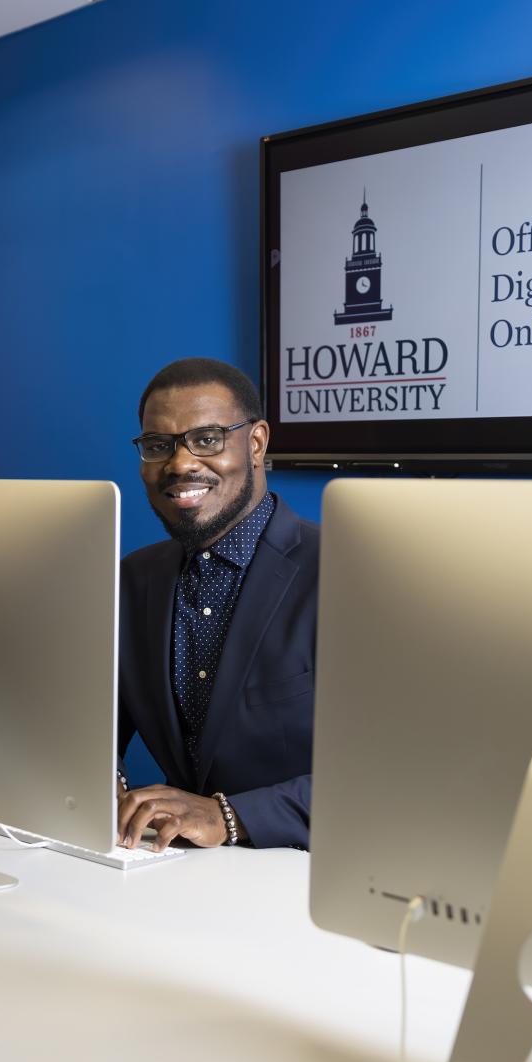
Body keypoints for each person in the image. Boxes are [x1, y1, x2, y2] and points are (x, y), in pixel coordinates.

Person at [116, 357, 320, 851]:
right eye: (159, 445)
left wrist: (230, 816)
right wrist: (103, 787)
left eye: (207, 439)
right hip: (178, 875)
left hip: (314, 881)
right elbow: (84, 724)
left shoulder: (348, 573)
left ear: (255, 444)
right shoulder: (133, 579)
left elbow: (403, 769)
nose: (180, 463)